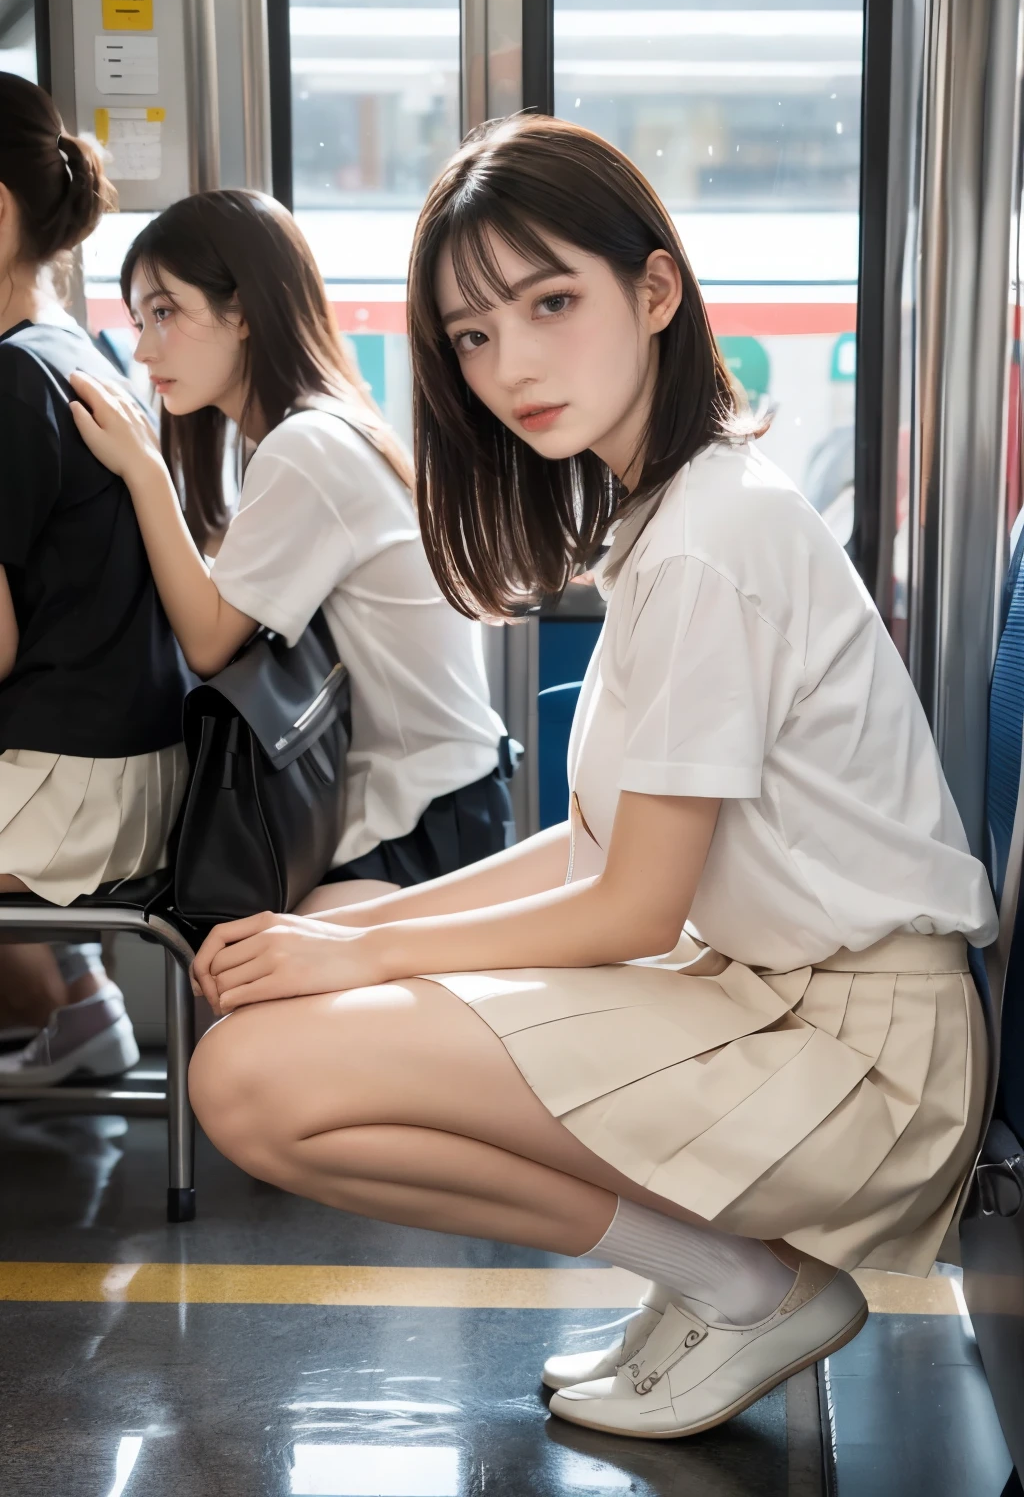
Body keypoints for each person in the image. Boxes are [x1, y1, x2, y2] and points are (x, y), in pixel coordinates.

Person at [184, 116, 997, 1441]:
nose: (513, 365)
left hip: (852, 1063)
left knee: (248, 1083)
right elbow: (591, 845)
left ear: (657, 291)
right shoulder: (677, 510)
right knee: (325, 944)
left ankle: (736, 1277)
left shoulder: (707, 540)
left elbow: (628, 910)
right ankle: (713, 1279)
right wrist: (359, 928)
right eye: (474, 335)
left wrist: (364, 962)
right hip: (771, 1002)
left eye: (552, 302)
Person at [69, 189, 512, 905]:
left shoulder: (306, 447)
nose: (144, 348)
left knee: (240, 969)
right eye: (138, 320)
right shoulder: (315, 431)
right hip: (442, 797)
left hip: (425, 817)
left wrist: (145, 469)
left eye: (164, 313)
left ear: (241, 312)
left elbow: (210, 640)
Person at [0, 73, 190, 1088]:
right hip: (130, 770)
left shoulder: (6, 378)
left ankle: (77, 1002)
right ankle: (82, 1008)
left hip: (68, 795)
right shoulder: (82, 350)